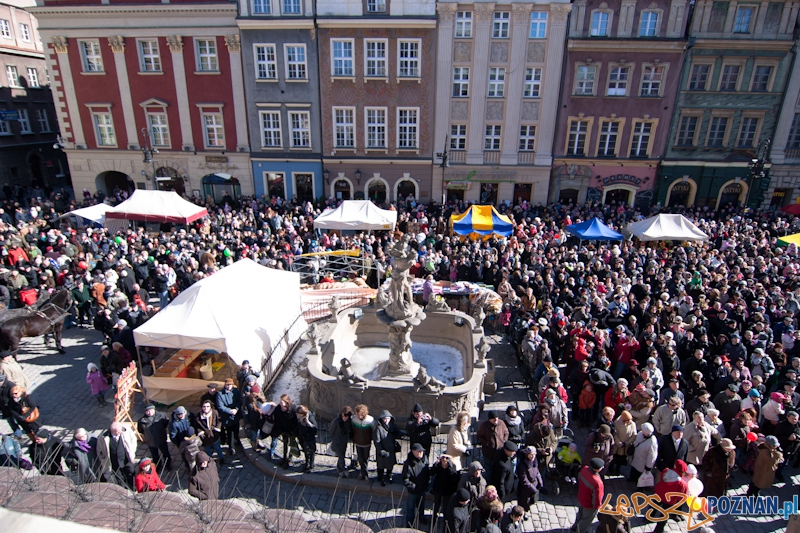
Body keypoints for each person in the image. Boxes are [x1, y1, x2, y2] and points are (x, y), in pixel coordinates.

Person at [96, 421, 138, 488]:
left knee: (130, 473)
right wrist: (103, 460)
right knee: (120, 478)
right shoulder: (103, 438)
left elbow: (133, 440)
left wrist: (132, 450)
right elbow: (99, 450)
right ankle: (124, 490)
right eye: (118, 432)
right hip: (114, 462)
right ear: (112, 431)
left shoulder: (126, 431)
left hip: (126, 459)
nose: (120, 433)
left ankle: (132, 487)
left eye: (120, 431)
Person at [572, 458, 605, 533]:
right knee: (586, 519)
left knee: (580, 514)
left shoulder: (584, 469)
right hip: (589, 504)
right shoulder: (597, 482)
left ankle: (575, 526)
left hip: (581, 497)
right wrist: (596, 507)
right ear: (598, 469)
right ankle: (579, 531)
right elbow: (597, 498)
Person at [137, 404, 173, 472]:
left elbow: (165, 424)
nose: (149, 412)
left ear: (154, 409)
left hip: (161, 439)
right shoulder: (142, 421)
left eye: (151, 410)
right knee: (155, 455)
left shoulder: (162, 415)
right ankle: (158, 466)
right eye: (147, 411)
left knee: (165, 453)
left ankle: (168, 465)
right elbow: (140, 430)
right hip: (151, 441)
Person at [403, 443, 431, 528]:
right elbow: (405, 479)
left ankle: (421, 517)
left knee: (421, 505)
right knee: (410, 507)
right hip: (413, 491)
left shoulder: (425, 460)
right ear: (413, 452)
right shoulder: (408, 464)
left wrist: (427, 483)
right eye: (419, 451)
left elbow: (427, 473)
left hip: (422, 489)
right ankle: (409, 523)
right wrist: (413, 487)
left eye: (422, 451)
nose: (421, 453)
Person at [652, 468, 688, 533]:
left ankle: (648, 517)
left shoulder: (666, 471)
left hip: (659, 491)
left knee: (654, 505)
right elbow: (680, 497)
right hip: (669, 500)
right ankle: (658, 531)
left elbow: (661, 478)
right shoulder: (681, 482)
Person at [374, 409, 402, 485]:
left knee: (390, 465)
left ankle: (389, 476)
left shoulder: (393, 426)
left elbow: (398, 434)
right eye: (384, 418)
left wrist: (397, 433)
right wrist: (381, 451)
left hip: (390, 450)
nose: (386, 420)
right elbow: (377, 441)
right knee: (381, 466)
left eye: (388, 418)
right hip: (382, 451)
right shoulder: (378, 428)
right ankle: (380, 478)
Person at [215, 378, 242, 455]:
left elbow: (238, 401)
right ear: (225, 385)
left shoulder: (236, 392)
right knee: (230, 433)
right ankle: (231, 447)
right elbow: (220, 406)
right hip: (227, 417)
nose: (229, 386)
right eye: (227, 385)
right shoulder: (220, 394)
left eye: (230, 385)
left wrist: (236, 409)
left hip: (236, 416)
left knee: (236, 429)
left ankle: (236, 440)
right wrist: (230, 411)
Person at [430, 454, 460, 523]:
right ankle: (434, 519)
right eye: (443, 463)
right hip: (438, 488)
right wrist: (435, 464)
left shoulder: (452, 467)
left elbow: (455, 478)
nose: (444, 465)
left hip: (447, 490)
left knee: (445, 506)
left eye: (446, 464)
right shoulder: (438, 466)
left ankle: (445, 520)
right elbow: (431, 472)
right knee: (436, 505)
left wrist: (450, 468)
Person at [194, 400, 224, 466]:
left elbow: (219, 421)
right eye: (204, 406)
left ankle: (221, 458)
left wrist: (217, 428)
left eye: (207, 406)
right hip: (205, 437)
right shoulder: (198, 416)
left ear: (210, 407)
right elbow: (197, 426)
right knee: (207, 450)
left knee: (217, 448)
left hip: (214, 435)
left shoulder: (215, 413)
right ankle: (210, 460)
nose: (206, 408)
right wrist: (201, 433)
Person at [274, 394, 298, 469]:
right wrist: (281, 430)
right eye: (280, 402)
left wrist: (294, 432)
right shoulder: (278, 409)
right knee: (285, 443)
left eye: (282, 402)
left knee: (292, 444)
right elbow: (277, 420)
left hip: (291, 431)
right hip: (283, 430)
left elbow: (296, 421)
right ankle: (284, 457)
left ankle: (289, 458)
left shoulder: (293, 408)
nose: (281, 403)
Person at [351, 403, 374, 480]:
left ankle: (363, 472)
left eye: (359, 414)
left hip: (366, 443)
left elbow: (374, 430)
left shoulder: (370, 420)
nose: (357, 416)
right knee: (361, 458)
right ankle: (364, 473)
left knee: (365, 458)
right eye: (357, 414)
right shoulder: (354, 419)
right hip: (358, 442)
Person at [516, 446, 543, 512]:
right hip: (525, 489)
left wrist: (540, 481)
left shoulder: (534, 461)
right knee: (523, 503)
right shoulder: (522, 465)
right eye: (531, 455)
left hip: (533, 486)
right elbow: (524, 481)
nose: (533, 456)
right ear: (526, 455)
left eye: (534, 454)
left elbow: (537, 472)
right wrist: (533, 489)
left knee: (530, 501)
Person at [328, 405, 353, 477]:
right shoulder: (336, 421)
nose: (344, 418)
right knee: (341, 456)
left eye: (346, 417)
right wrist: (334, 438)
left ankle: (339, 468)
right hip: (337, 441)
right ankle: (342, 470)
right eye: (343, 416)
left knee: (341, 456)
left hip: (343, 441)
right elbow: (331, 431)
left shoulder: (349, 421)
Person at [295, 404, 318, 472]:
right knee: (305, 451)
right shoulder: (299, 418)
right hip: (302, 438)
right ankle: (307, 462)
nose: (298, 415)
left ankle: (311, 464)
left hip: (309, 439)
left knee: (311, 452)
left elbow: (315, 429)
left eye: (299, 414)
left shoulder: (310, 418)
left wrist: (308, 424)